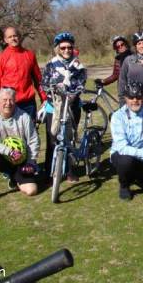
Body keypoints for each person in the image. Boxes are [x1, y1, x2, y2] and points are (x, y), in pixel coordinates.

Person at [0, 87, 40, 204]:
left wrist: (30, 162)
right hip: (1, 157)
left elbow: (34, 140)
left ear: (15, 100)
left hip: (21, 159)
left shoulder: (24, 117)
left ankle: (14, 177)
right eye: (5, 100)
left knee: (31, 191)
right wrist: (9, 151)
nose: (8, 103)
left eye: (11, 100)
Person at [41, 32, 86, 183]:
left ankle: (70, 171)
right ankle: (50, 170)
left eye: (69, 47)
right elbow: (44, 83)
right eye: (63, 47)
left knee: (69, 138)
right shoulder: (51, 65)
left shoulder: (78, 66)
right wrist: (51, 93)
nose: (67, 50)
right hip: (53, 107)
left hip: (72, 107)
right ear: (58, 49)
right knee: (52, 138)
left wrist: (74, 95)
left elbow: (81, 84)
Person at [0, 26, 47, 121]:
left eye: (15, 36)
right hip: (9, 103)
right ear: (5, 40)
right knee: (11, 134)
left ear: (19, 37)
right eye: (10, 37)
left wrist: (44, 98)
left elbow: (38, 79)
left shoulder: (30, 55)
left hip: (28, 103)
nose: (13, 38)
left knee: (30, 132)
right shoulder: (1, 58)